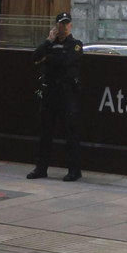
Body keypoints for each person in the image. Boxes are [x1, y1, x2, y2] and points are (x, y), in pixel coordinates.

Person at [27, 13, 83, 182]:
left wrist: (49, 58)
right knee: (45, 133)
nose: (64, 27)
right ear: (56, 26)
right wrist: (48, 43)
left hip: (66, 93)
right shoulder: (50, 44)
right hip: (49, 92)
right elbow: (35, 57)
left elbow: (67, 62)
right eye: (61, 24)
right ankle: (41, 168)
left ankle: (74, 170)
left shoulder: (76, 45)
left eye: (67, 24)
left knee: (70, 133)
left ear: (71, 26)